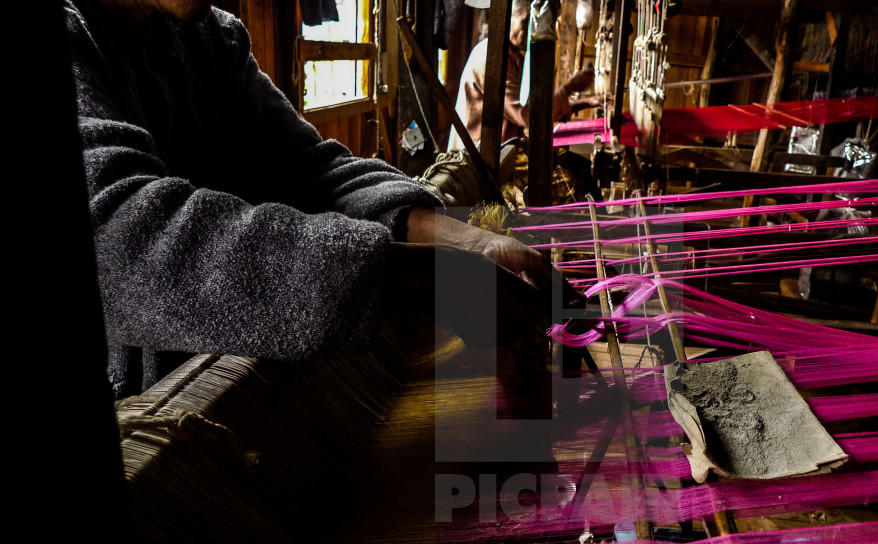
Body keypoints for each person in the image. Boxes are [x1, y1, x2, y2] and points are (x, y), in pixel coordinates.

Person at [67, 0, 557, 398]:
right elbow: (118, 238)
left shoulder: (210, 41)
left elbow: (313, 171)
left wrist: (468, 242)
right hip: (152, 424)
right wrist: (430, 279)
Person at [448, 0, 596, 151]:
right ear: (507, 19)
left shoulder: (515, 57)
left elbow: (533, 106)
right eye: (525, 21)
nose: (530, 30)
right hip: (476, 160)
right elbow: (526, 115)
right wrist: (569, 88)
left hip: (500, 152)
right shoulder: (491, 57)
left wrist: (586, 103)